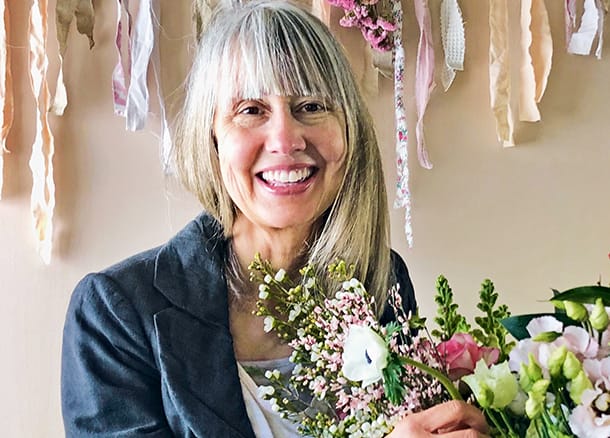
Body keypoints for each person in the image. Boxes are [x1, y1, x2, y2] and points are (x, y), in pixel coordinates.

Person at [61, 1, 489, 437]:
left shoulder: (379, 278)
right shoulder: (116, 313)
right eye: (251, 110)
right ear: (211, 137)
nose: (285, 139)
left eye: (311, 105)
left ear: (349, 129)